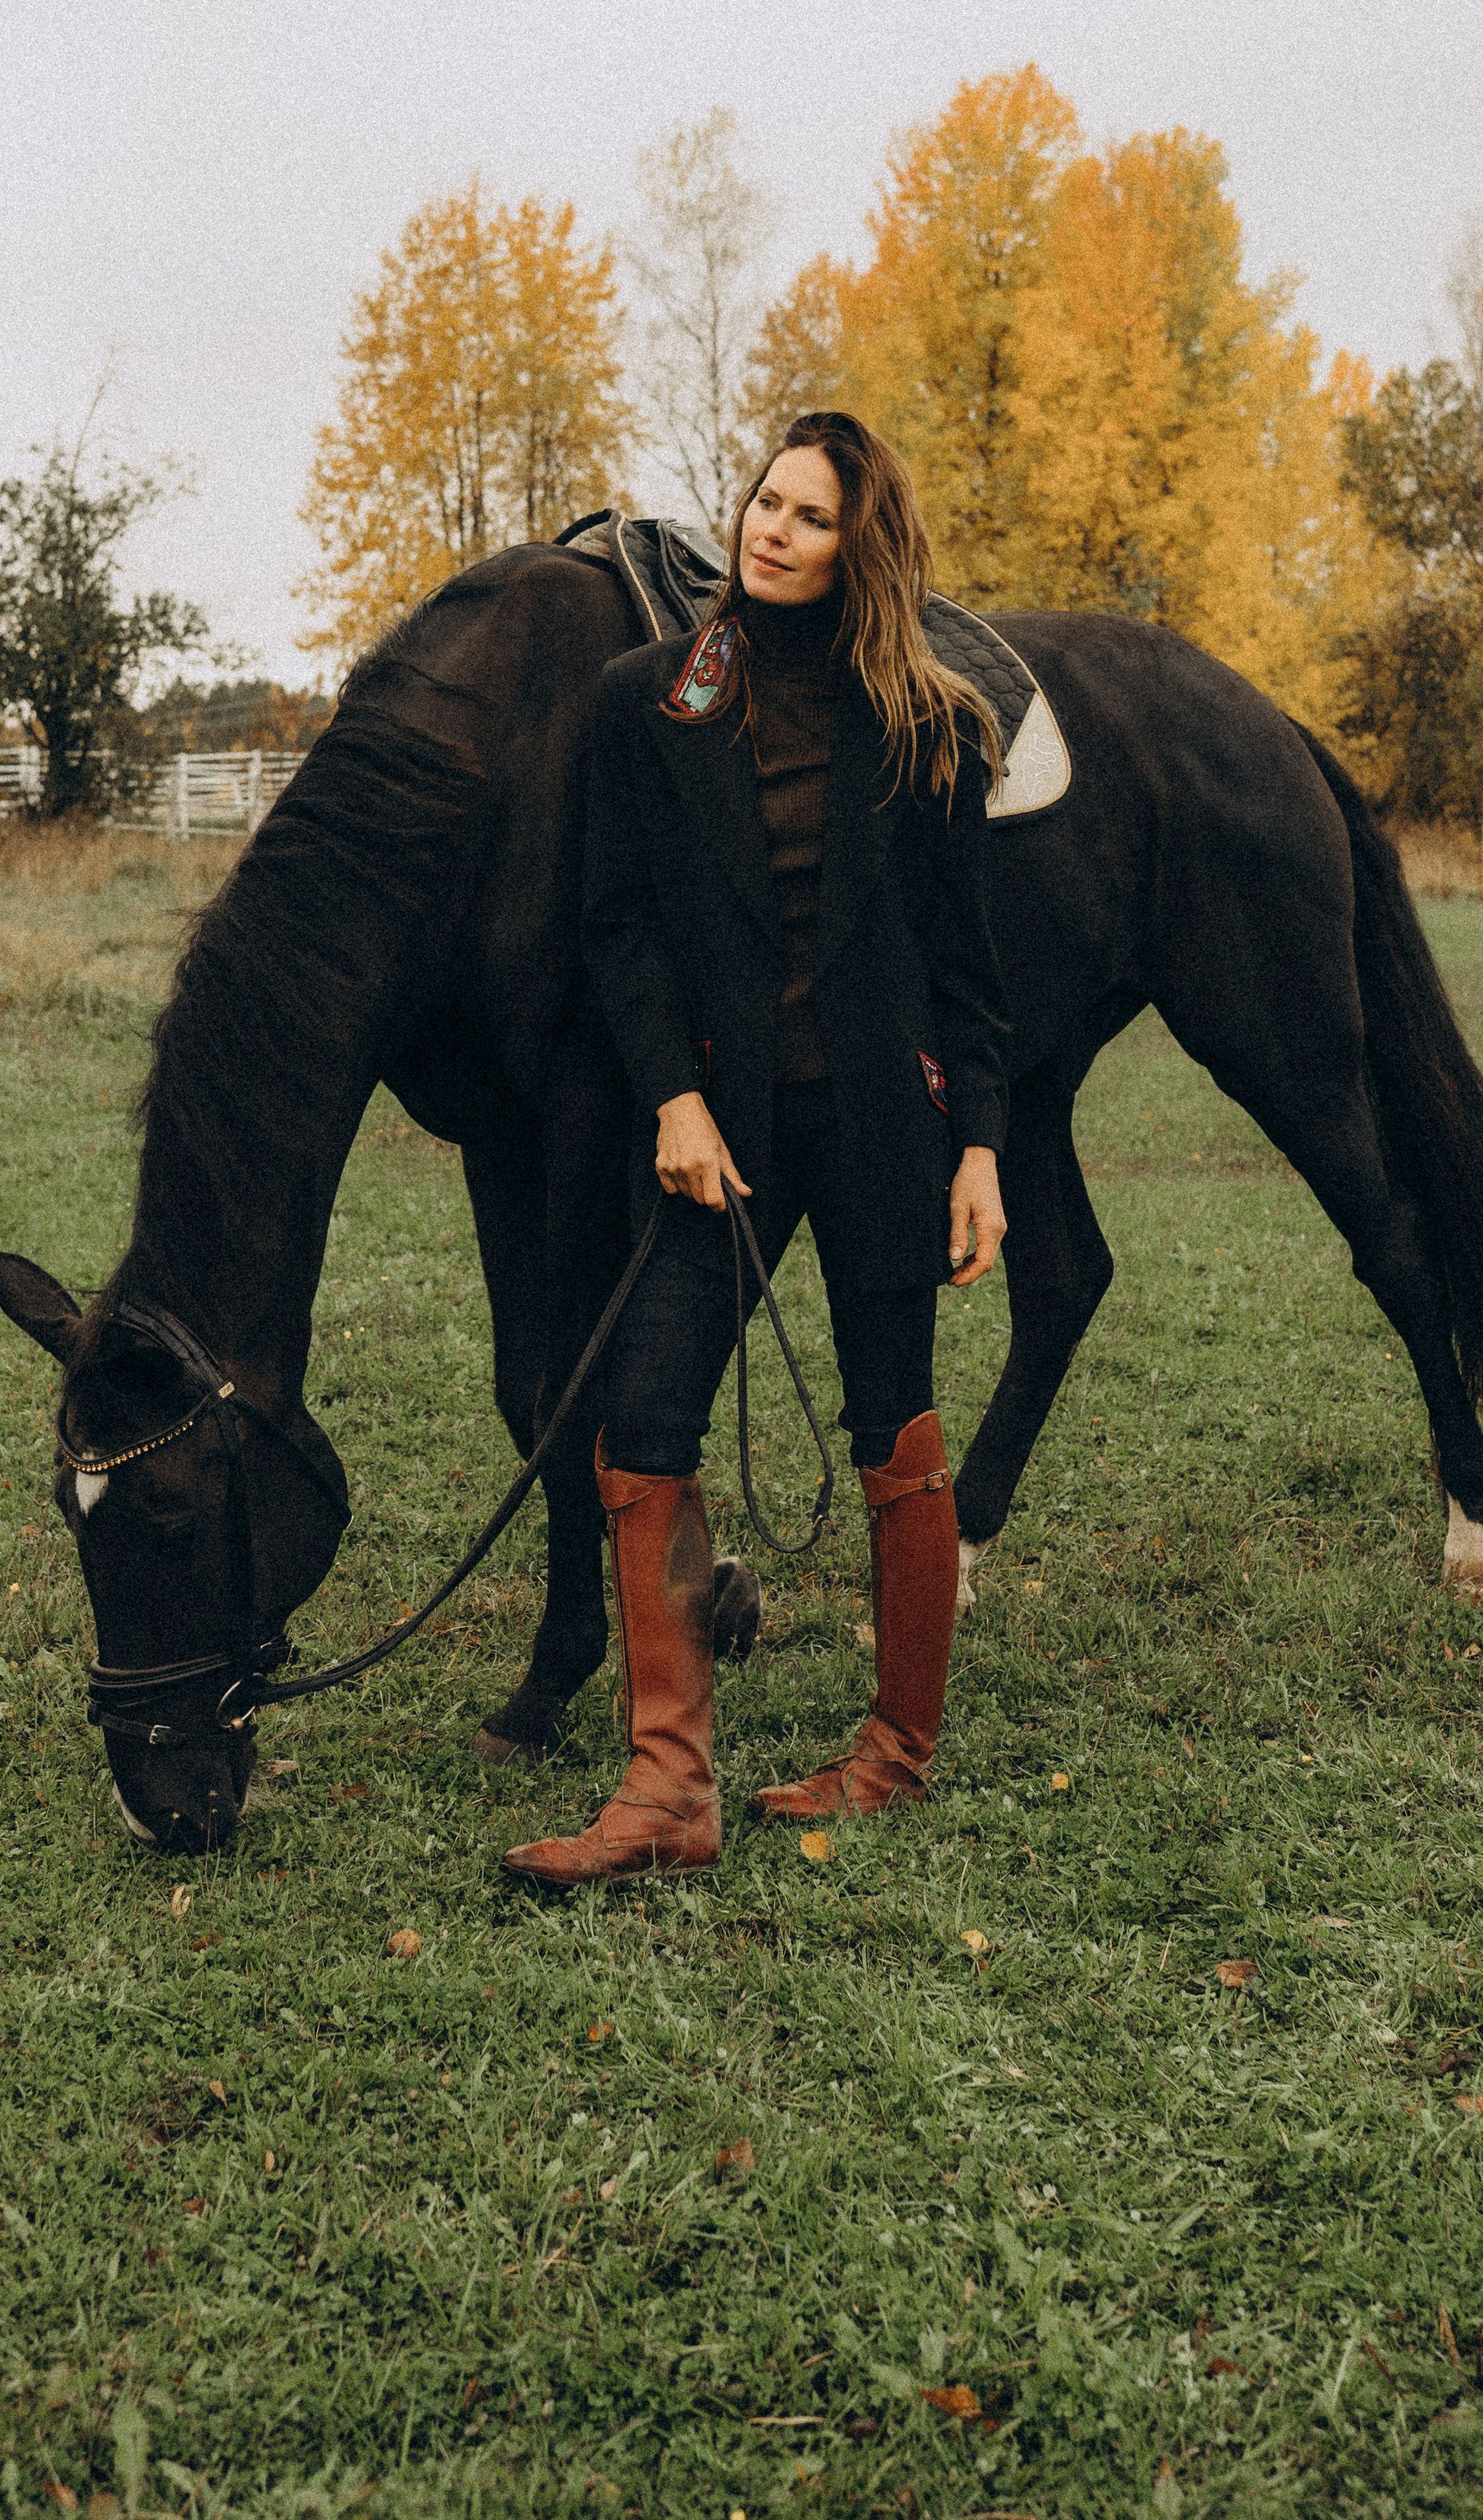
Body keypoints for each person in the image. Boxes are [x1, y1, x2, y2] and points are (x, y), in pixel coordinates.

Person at [503, 412, 1010, 1888]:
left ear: (863, 545)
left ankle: (895, 1756)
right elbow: (615, 924)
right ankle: (669, 1792)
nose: (772, 528)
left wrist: (979, 1145)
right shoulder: (650, 700)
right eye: (763, 500)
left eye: (810, 515)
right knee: (643, 1414)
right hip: (726, 1131)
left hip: (877, 1121)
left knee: (892, 1423)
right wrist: (670, 1097)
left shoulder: (927, 724)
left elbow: (968, 966)